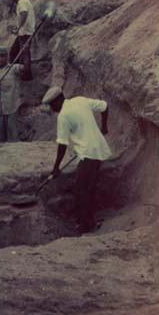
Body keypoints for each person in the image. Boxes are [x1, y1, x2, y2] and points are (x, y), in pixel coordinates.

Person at [42, 86, 111, 233]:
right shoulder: (80, 100)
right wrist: (104, 127)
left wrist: (56, 168)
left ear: (58, 101)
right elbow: (105, 106)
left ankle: (85, 225)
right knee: (89, 188)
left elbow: (62, 144)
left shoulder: (63, 116)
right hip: (97, 150)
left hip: (88, 155)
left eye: (52, 105)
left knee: (81, 191)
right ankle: (88, 221)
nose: (52, 109)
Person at [0, 46, 25, 142]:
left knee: (12, 130)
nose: (0, 58)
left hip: (12, 104)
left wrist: (25, 52)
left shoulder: (13, 68)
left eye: (3, 56)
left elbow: (25, 69)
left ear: (7, 57)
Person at [7, 0, 35, 80]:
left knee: (24, 53)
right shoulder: (24, 1)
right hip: (25, 32)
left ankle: (26, 75)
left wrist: (19, 27)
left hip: (25, 33)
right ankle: (22, 73)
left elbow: (24, 13)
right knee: (17, 52)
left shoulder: (21, 2)